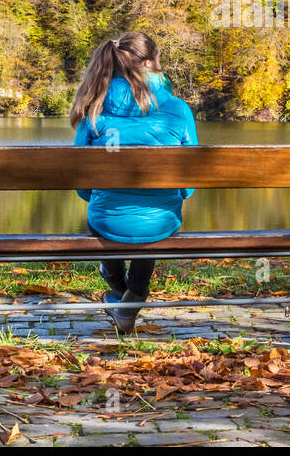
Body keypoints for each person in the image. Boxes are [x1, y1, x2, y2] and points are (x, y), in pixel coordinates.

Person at [69, 32, 197, 334]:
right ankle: (133, 297)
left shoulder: (94, 108)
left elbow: (81, 184)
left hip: (105, 218)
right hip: (160, 221)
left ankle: (118, 288)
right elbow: (188, 185)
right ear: (152, 62)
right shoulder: (178, 110)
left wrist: (100, 197)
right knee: (155, 216)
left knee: (106, 216)